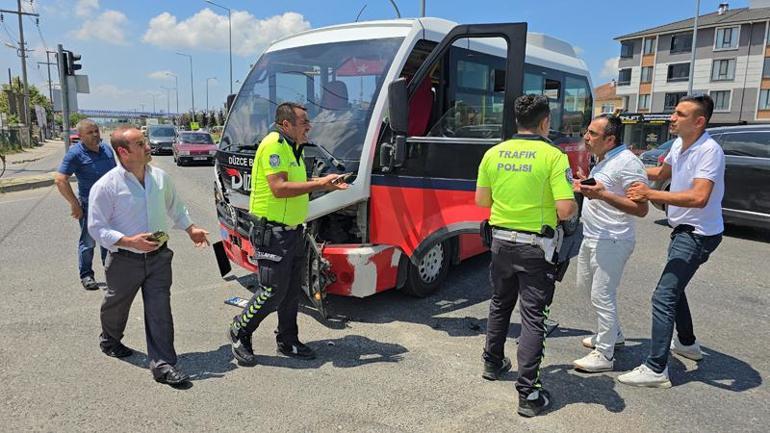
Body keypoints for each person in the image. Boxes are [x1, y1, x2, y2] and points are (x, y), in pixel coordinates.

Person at [475, 94, 577, 417]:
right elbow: (565, 209)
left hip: (500, 244)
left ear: (517, 121)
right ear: (545, 122)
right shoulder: (554, 156)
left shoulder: (493, 154)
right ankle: (528, 393)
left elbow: (481, 202)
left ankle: (492, 362)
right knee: (533, 316)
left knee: (499, 302)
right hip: (537, 248)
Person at [227, 102, 348, 366]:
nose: (309, 126)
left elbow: (296, 187)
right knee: (271, 290)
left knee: (292, 291)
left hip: (293, 232)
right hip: (272, 232)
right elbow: (279, 188)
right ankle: (240, 330)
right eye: (304, 122)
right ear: (286, 125)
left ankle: (288, 339)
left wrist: (324, 184)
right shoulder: (274, 145)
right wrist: (319, 183)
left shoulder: (294, 148)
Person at [88, 126, 210, 386]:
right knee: (116, 305)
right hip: (124, 260)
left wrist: (191, 229)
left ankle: (163, 365)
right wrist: (129, 241)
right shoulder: (107, 186)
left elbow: (176, 207)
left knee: (159, 310)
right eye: (141, 144)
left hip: (158, 258)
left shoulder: (161, 178)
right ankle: (110, 339)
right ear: (124, 152)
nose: (148, 147)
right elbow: (96, 227)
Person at [619, 95, 724, 388]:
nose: (672, 118)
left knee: (663, 295)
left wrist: (649, 195)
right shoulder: (679, 144)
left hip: (698, 234)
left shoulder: (709, 151)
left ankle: (656, 369)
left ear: (699, 121)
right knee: (675, 288)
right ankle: (687, 343)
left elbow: (699, 197)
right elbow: (660, 173)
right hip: (683, 229)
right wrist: (619, 169)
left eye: (679, 114)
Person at [571, 114, 648, 373]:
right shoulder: (604, 160)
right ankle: (613, 334)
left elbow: (641, 209)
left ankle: (604, 354)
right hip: (593, 236)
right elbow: (603, 191)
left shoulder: (628, 164)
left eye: (592, 133)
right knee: (585, 288)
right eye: (587, 131)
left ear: (610, 139)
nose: (586, 137)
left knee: (602, 294)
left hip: (613, 238)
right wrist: (584, 185)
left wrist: (601, 194)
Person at [54, 119, 116, 290]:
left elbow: (116, 176)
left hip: (110, 205)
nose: (95, 134)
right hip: (90, 206)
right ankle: (87, 275)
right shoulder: (75, 153)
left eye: (96, 131)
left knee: (109, 241)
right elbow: (60, 180)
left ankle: (111, 273)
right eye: (90, 132)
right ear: (80, 136)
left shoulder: (107, 149)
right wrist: (74, 204)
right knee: (88, 242)